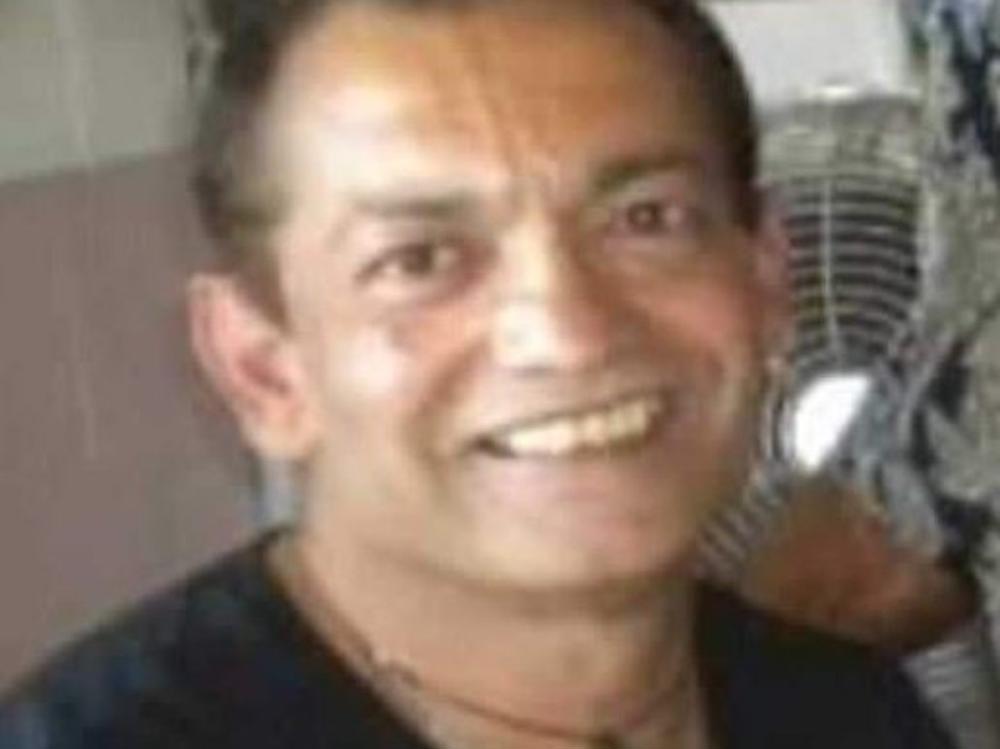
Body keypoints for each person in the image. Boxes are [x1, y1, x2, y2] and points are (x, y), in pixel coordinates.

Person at [0, 0, 957, 747]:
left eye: (646, 219)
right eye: (419, 259)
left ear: (766, 280)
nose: (568, 333)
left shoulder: (848, 713)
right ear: (264, 370)